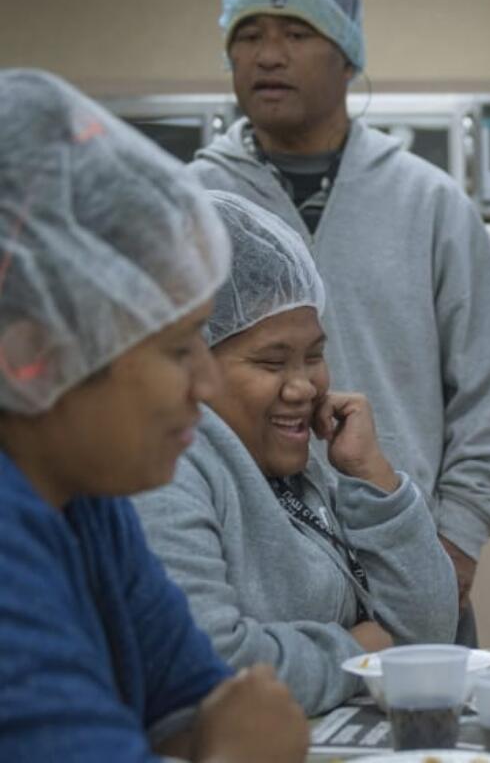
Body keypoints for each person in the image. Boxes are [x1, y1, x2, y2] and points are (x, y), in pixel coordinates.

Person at [188, 0, 490, 644]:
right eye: (249, 36)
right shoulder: (188, 205)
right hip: (253, 580)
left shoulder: (429, 203)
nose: (268, 56)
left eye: (296, 34)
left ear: (348, 56)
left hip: (412, 570)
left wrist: (450, 548)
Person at [0, 69, 308, 762]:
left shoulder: (82, 498)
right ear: (35, 351)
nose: (205, 381)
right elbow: (224, 730)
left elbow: (190, 704)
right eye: (177, 347)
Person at [132, 190, 459, 717]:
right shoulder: (169, 471)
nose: (304, 387)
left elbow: (425, 634)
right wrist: (357, 655)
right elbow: (207, 665)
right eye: (271, 362)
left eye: (314, 356)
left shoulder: (298, 468)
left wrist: (371, 478)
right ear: (190, 361)